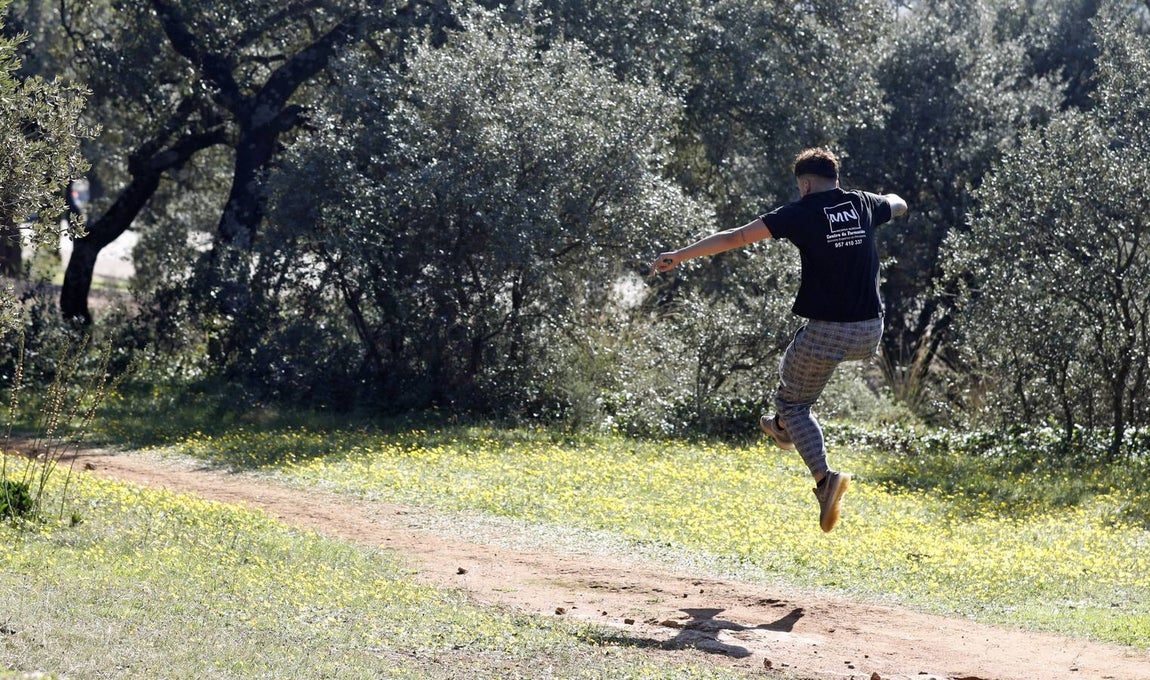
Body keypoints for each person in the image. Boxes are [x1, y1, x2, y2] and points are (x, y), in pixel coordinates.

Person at [649, 147, 908, 532]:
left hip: (830, 330)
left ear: (805, 185)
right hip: (870, 331)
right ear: (836, 179)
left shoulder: (800, 212)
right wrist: (884, 203)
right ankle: (784, 428)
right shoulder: (863, 203)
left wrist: (680, 255)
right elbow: (898, 203)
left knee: (793, 403)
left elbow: (736, 237)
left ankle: (823, 477)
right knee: (794, 382)